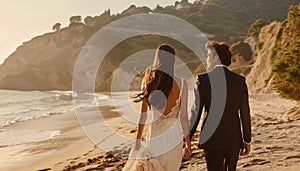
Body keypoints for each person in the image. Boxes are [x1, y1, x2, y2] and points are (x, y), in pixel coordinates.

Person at [123, 44, 192, 171]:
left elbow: (143, 116)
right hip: (174, 136)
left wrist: (138, 141)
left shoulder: (149, 81)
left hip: (155, 135)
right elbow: (183, 117)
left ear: (158, 58)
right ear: (173, 60)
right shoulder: (182, 83)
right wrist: (188, 143)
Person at [189, 41, 251, 171]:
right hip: (234, 139)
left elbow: (196, 112)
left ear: (215, 57)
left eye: (207, 56)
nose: (206, 60)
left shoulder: (203, 80)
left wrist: (187, 138)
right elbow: (244, 112)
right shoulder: (239, 81)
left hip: (211, 139)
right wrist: (247, 139)